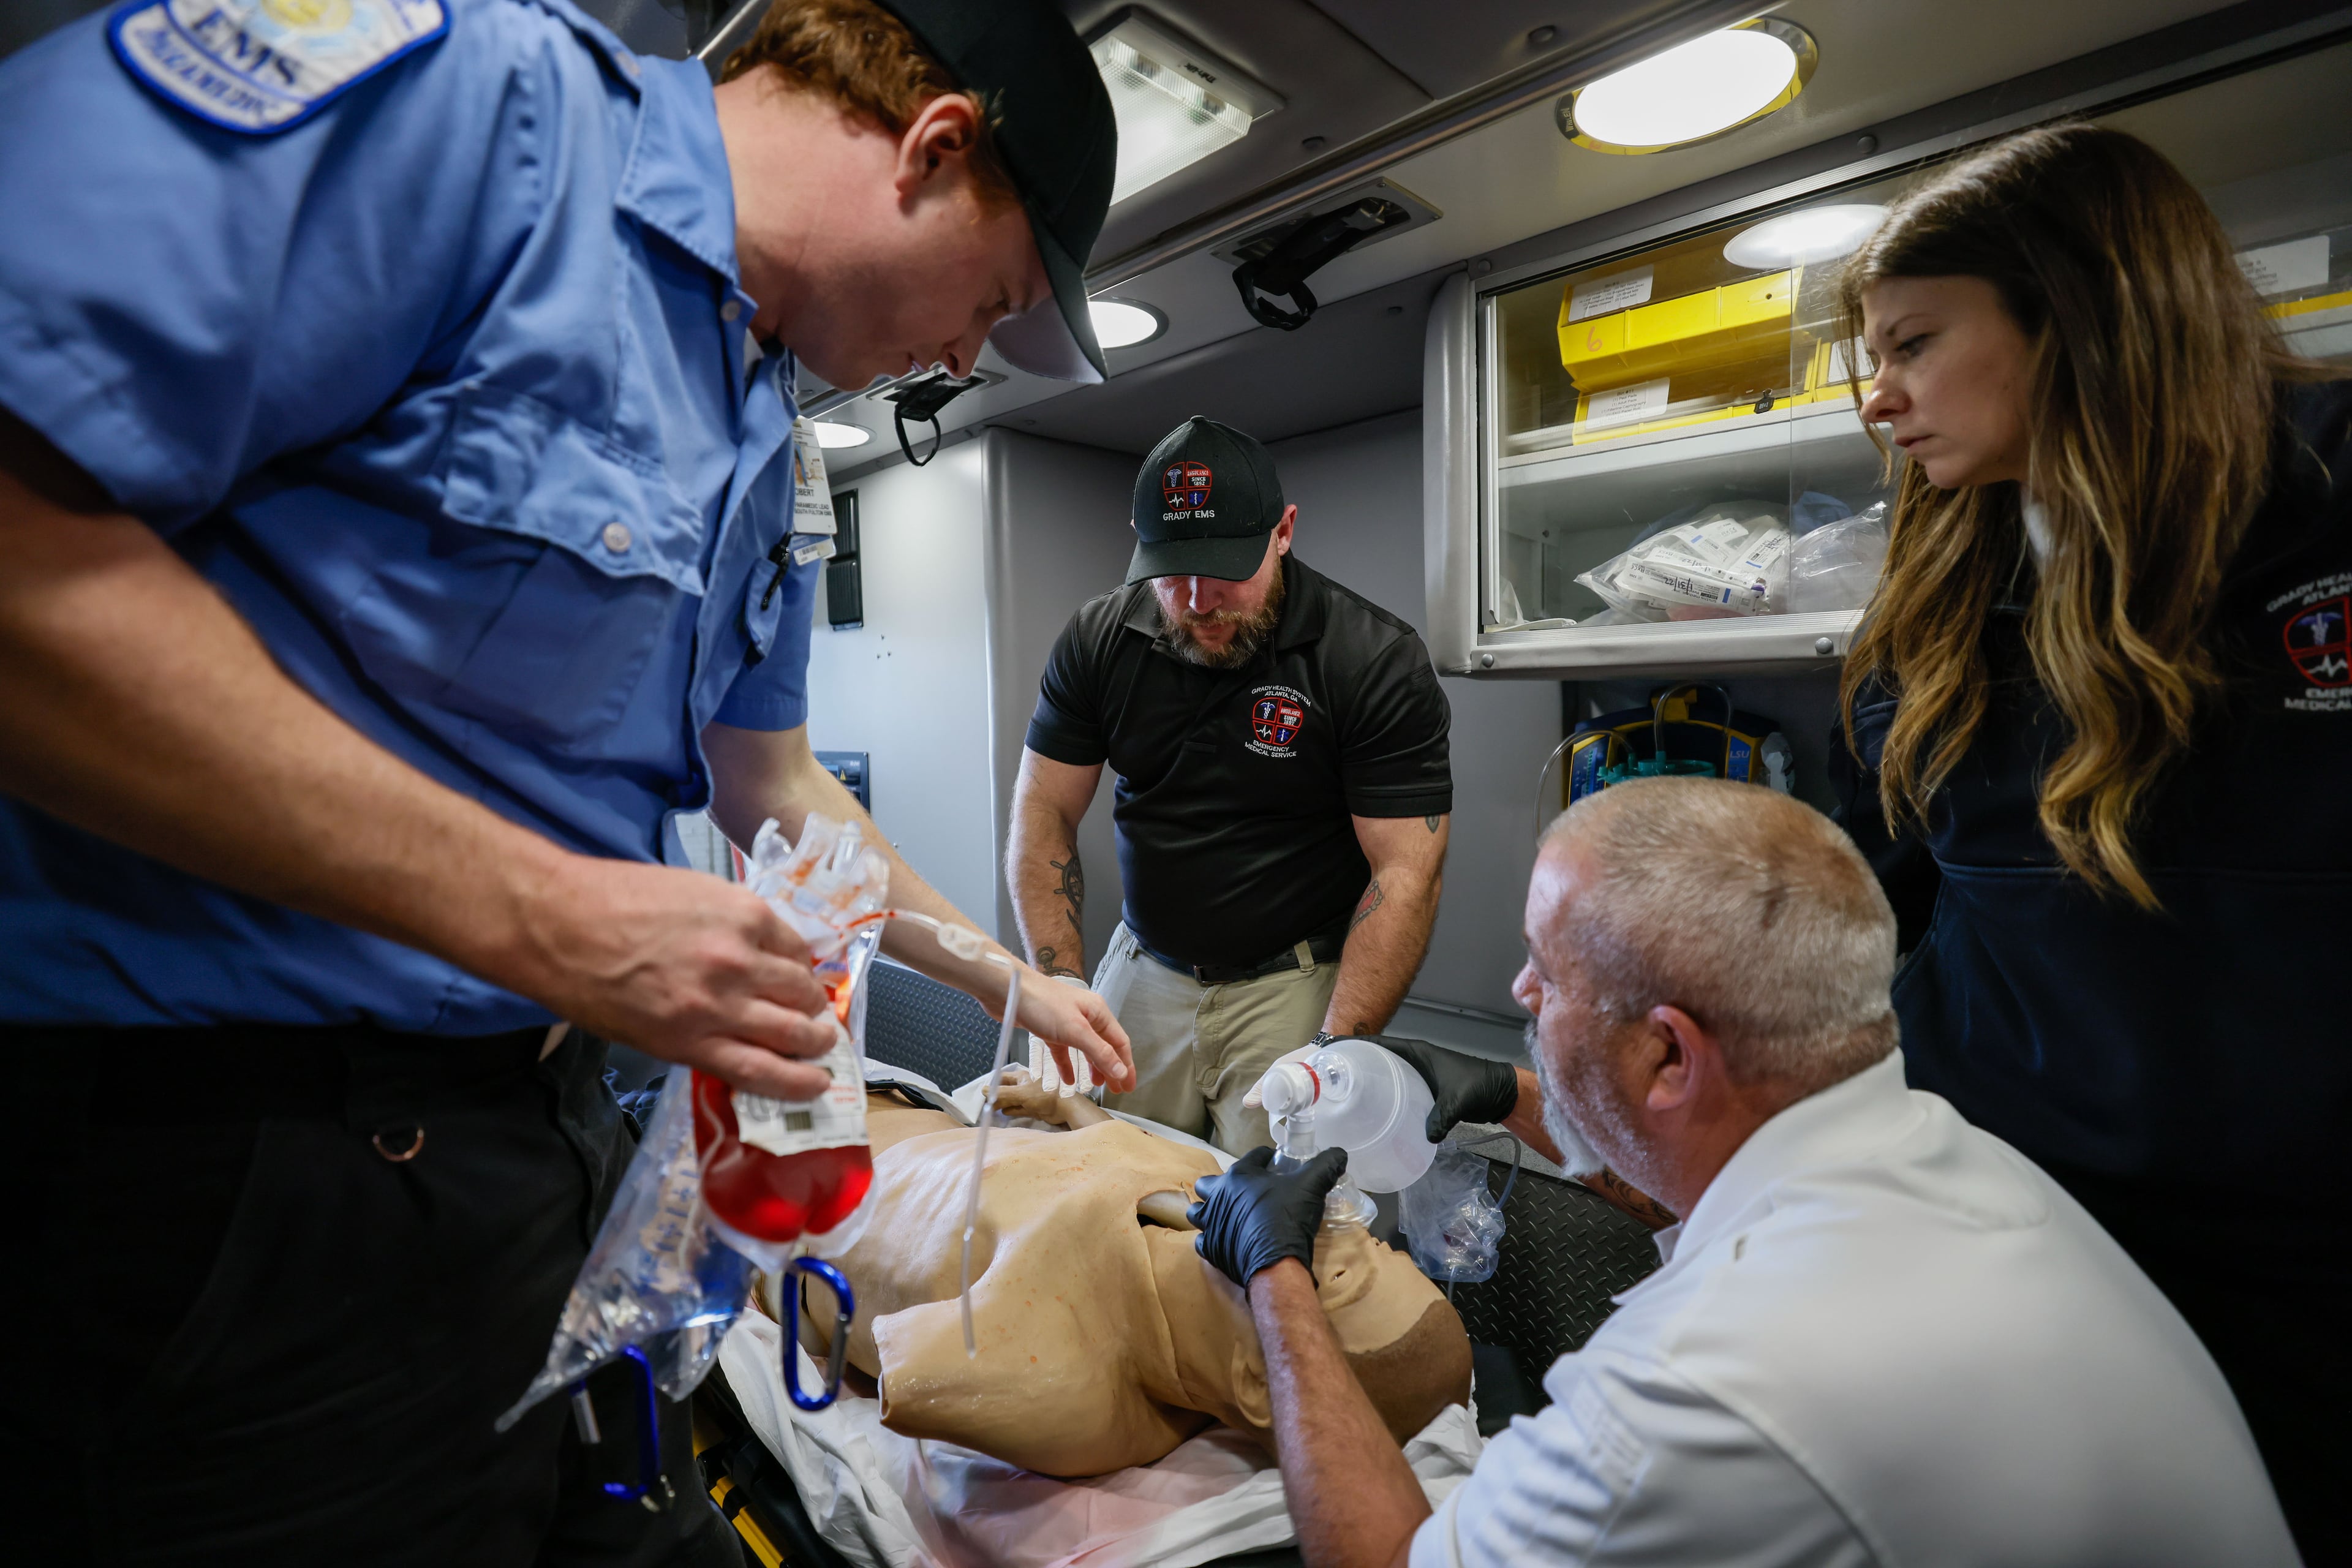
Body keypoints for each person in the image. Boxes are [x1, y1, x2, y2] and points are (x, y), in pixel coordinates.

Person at [0, 0, 1133, 1559]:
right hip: (239, 1163)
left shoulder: (756, 422)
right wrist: (553, 916)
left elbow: (775, 779)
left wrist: (994, 968)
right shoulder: (475, 120)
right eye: (987, 304)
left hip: (532, 1144)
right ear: (934, 150)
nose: (957, 356)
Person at [1188, 777, 2298, 1568]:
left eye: (1546, 973)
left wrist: (1276, 1270)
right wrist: (1514, 1097)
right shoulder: (1952, 1156)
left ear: (1669, 1051)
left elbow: (1387, 1558)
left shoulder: (1704, 1384)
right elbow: (1697, 1175)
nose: (1521, 995)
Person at [1819, 123, 2350, 1561]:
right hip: (2002, 1228)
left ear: (2077, 307)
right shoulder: (1941, 578)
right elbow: (1873, 899)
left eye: (1914, 342)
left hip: (2295, 1270)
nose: (1881, 399)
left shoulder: (2324, 502)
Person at [1009, 416, 1453, 1152]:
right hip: (1142, 969)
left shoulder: (1371, 659)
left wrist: (1331, 1057)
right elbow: (1045, 807)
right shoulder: (1098, 640)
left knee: (1270, 1215)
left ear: (1284, 531)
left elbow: (1408, 870)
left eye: (1224, 570)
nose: (1197, 600)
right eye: (1171, 573)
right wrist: (1060, 980)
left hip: (1290, 983)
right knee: (1114, 1177)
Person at [782, 1077, 1468, 1477]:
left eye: (1337, 1271)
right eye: (1371, 1242)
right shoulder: (1222, 1208)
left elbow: (906, 1371)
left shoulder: (1076, 1382)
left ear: (1262, 1384)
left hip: (782, 1166)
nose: (1331, 1225)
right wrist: (1067, 1109)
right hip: (893, 1100)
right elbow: (1120, 1151)